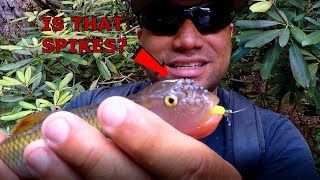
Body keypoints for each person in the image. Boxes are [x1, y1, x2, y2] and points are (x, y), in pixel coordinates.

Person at [0, 0, 319, 179]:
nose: (188, 39)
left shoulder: (276, 142)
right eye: (163, 18)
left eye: (210, 15)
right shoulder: (87, 104)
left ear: (230, 34)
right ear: (141, 38)